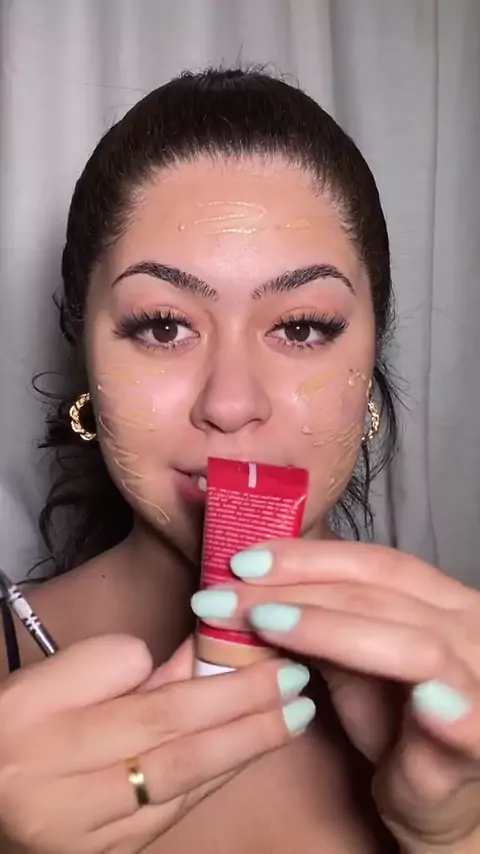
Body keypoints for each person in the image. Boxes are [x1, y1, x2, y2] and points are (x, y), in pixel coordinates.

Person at [0, 67, 478, 854]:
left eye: (302, 327)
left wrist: (458, 837)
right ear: (86, 358)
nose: (230, 402)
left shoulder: (461, 700)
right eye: (162, 326)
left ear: (370, 365)